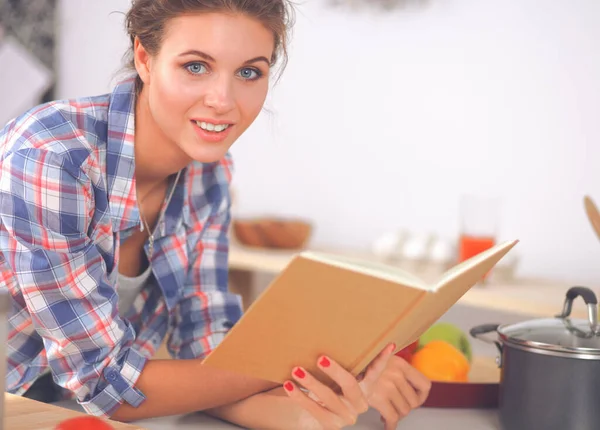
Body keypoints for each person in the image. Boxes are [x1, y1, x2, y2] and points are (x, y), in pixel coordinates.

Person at [0, 0, 431, 428]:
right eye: (195, 66)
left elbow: (207, 353)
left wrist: (307, 410)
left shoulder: (209, 175)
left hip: (59, 409)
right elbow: (107, 383)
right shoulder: (53, 158)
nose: (223, 100)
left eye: (248, 72)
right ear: (145, 59)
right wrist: (312, 366)